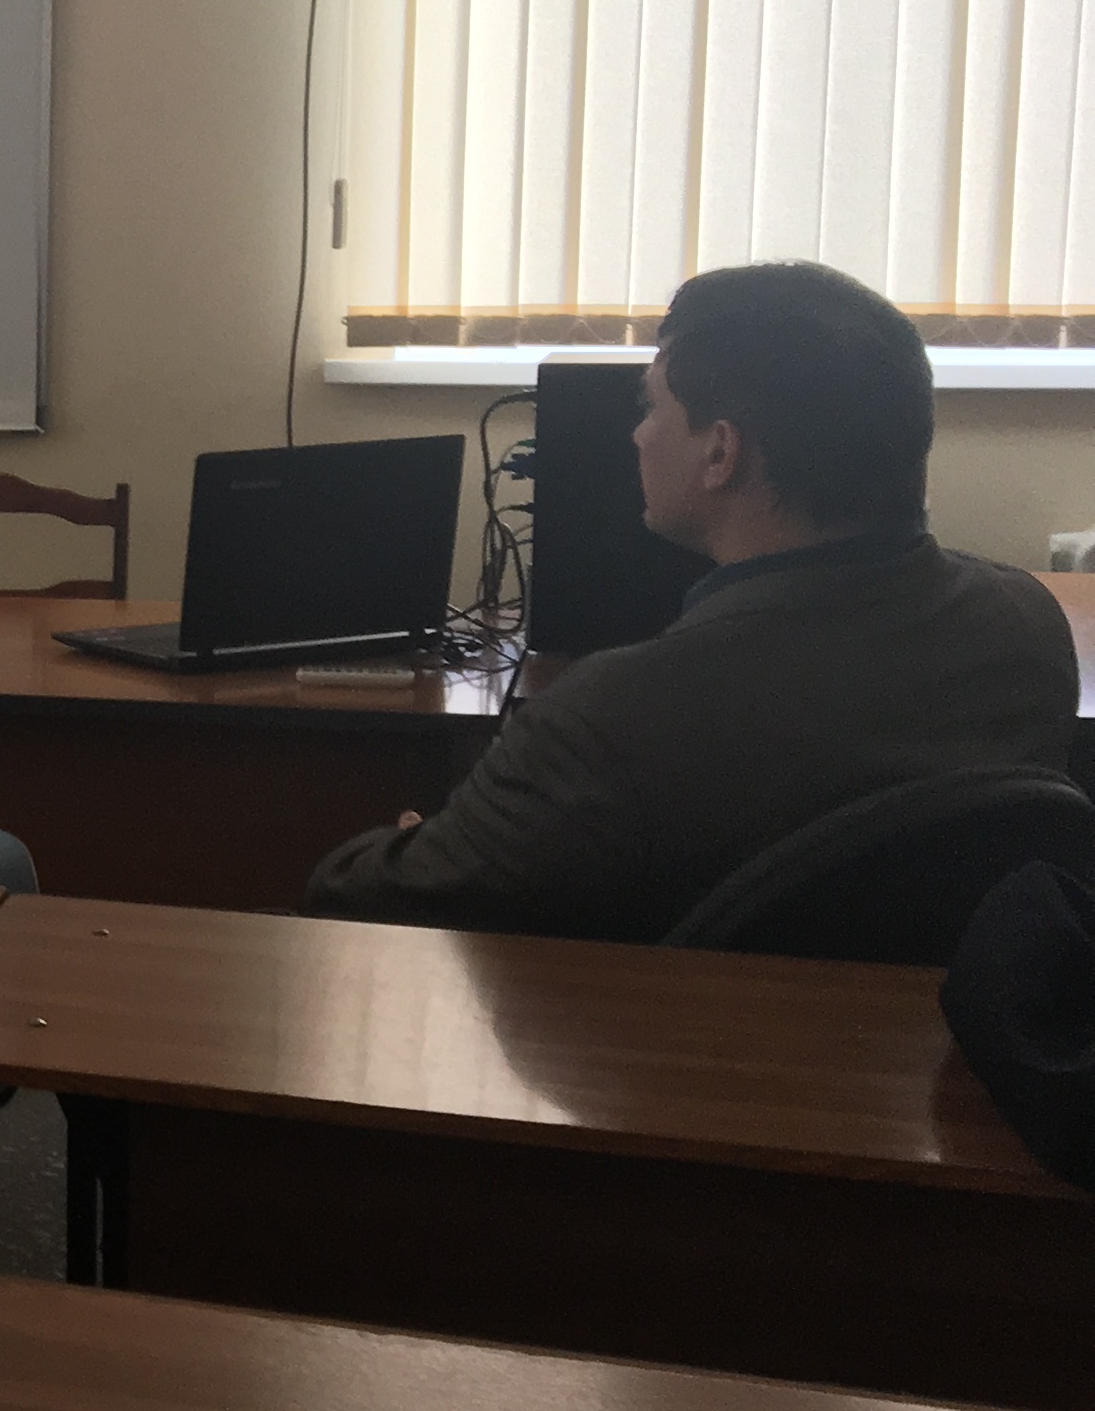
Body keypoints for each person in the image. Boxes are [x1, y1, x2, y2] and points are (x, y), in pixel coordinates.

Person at [303, 261, 1078, 940]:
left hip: (691, 1053)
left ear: (720, 451)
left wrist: (421, 841)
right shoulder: (1027, 626)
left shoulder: (611, 719)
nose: (639, 436)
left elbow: (354, 899)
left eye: (651, 407)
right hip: (939, 1048)